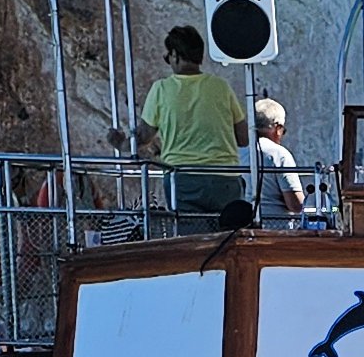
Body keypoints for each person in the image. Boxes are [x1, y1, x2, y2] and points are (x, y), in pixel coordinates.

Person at [132, 23, 249, 222]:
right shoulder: (221, 87)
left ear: (175, 55)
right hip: (226, 178)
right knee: (229, 242)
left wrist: (119, 141)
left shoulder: (161, 89)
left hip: (183, 179)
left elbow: (143, 137)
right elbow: (243, 138)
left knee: (193, 244)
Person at [251, 97, 311, 218]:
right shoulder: (279, 154)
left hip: (243, 225)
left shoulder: (238, 151)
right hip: (275, 226)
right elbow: (296, 205)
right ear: (278, 128)